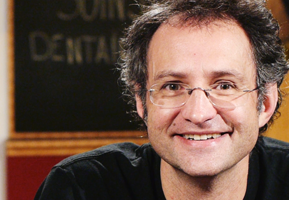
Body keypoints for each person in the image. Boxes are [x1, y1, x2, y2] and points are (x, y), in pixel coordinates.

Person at [35, 0, 289, 199]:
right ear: (140, 101)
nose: (198, 113)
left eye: (224, 85)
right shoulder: (80, 188)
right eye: (173, 86)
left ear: (265, 102)